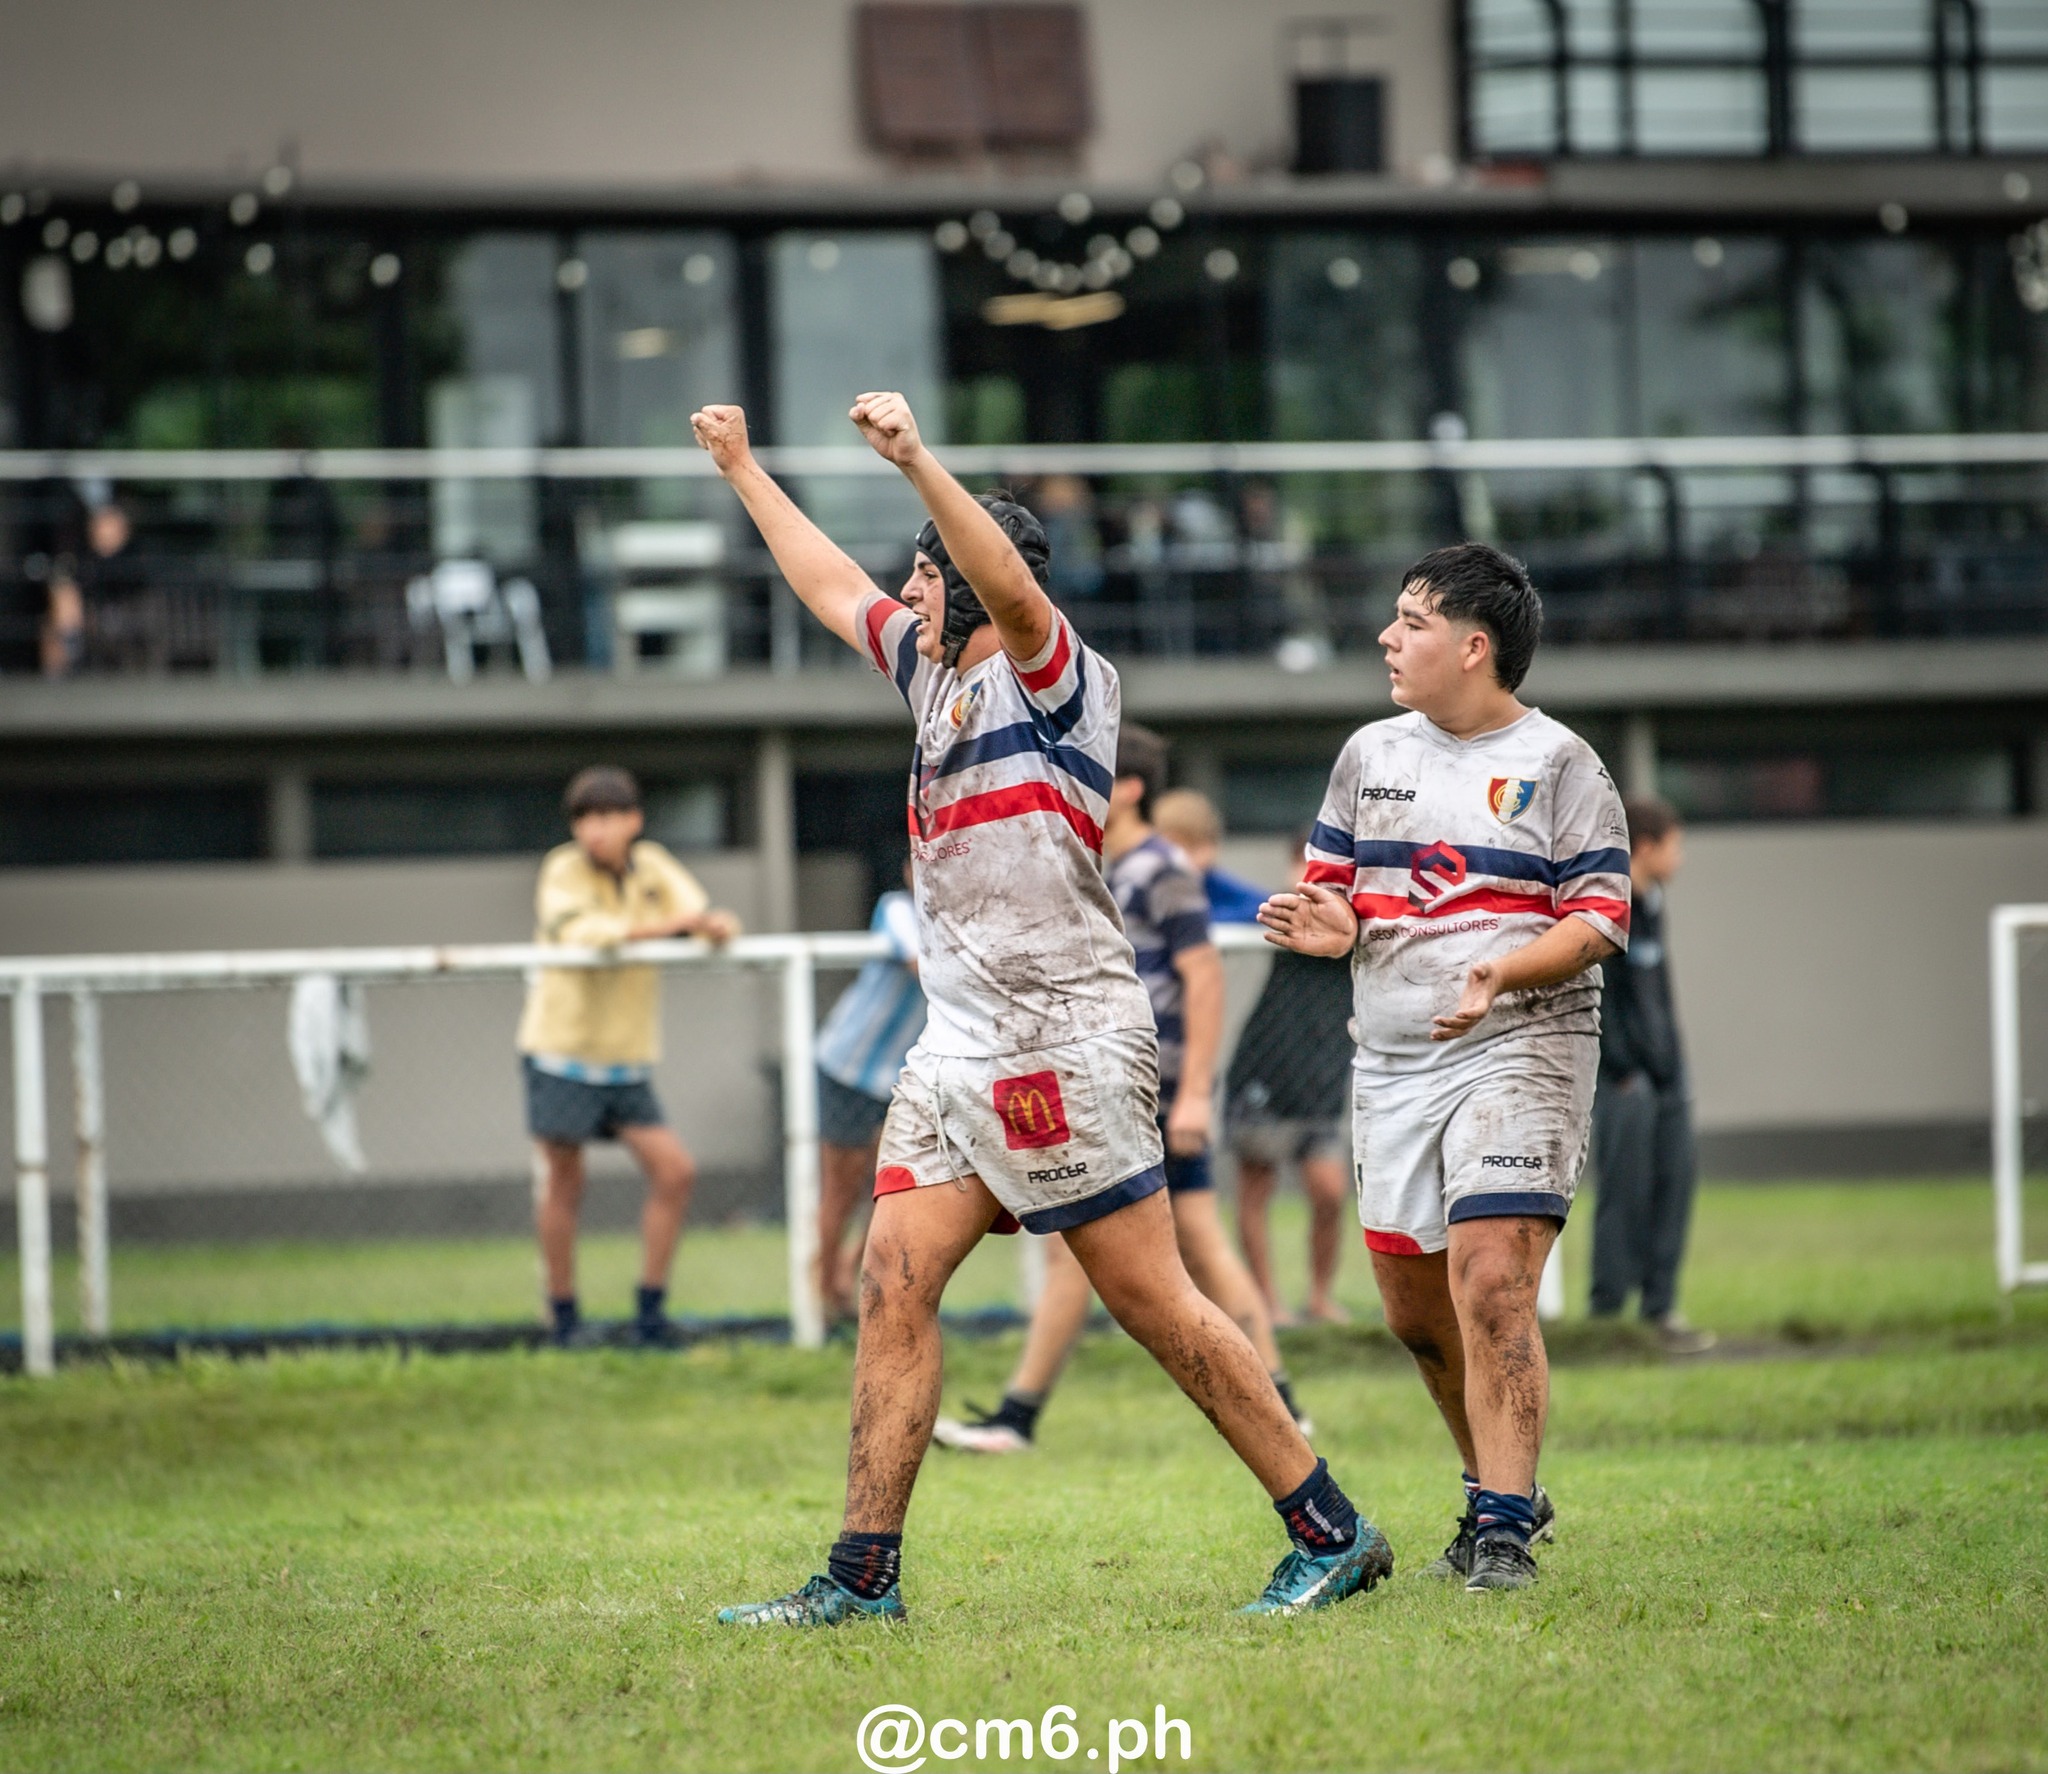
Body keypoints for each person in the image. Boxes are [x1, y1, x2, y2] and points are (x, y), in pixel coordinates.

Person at [692, 391, 1391, 1625]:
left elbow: (1008, 589)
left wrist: (916, 460)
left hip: (1061, 1045)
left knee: (1153, 1303)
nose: (905, 592)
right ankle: (860, 1577)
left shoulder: (1055, 678)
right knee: (891, 1278)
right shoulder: (926, 676)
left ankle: (1329, 1528)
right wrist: (743, 469)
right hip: (957, 1050)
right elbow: (827, 586)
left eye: (924, 575)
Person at [1257, 542, 1630, 1593]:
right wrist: (1330, 926)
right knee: (1415, 1315)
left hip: (1524, 1044)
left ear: (1473, 647)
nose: (1386, 636)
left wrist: (1501, 972)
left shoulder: (1562, 763)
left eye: (1411, 621)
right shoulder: (1367, 753)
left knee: (1493, 1280)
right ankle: (1497, 1490)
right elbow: (1338, 894)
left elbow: (1600, 919)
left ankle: (1502, 1531)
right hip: (1391, 1062)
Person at [931, 726, 1311, 1454]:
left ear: (1129, 788)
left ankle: (1280, 1407)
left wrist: (1193, 1094)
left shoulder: (1160, 868)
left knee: (1177, 1244)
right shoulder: (1094, 863)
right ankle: (1020, 1415)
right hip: (1104, 1087)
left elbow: (1204, 975)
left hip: (1151, 1091)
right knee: (1101, 1248)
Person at [516, 766, 742, 1348]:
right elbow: (586, 935)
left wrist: (716, 926)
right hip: (561, 1053)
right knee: (565, 1184)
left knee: (675, 1172)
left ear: (634, 820)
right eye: (583, 818)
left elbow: (699, 915)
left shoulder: (654, 864)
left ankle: (649, 1315)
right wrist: (677, 926)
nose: (594, 830)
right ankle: (564, 1319)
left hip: (627, 1060)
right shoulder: (561, 869)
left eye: (607, 816)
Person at [1152, 796, 1352, 1326]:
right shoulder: (1276, 913)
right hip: (1262, 1069)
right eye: (1301, 863)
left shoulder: (1352, 923)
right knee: (1252, 1188)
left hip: (1324, 1073)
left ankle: (1319, 1298)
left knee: (1329, 1190)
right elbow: (1225, 907)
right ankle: (1266, 1302)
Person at [1589, 796, 1714, 1353]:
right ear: (1645, 848)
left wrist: (1674, 1068)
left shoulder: (1655, 906)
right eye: (1674, 846)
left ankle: (1660, 1308)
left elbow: (1660, 999)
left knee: (1674, 1186)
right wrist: (1622, 1070)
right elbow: (1601, 1001)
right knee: (1625, 1194)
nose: (1680, 858)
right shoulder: (1606, 910)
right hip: (1625, 1083)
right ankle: (1608, 1316)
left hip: (1667, 1081)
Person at [813, 860, 925, 1324]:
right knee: (841, 1189)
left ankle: (854, 1278)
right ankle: (824, 1296)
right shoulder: (897, 908)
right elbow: (921, 965)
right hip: (848, 1068)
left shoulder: (966, 919)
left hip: (902, 1075)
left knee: (892, 1192)